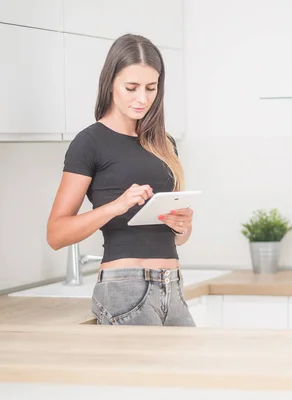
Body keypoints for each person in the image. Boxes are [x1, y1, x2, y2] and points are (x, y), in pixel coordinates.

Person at [47, 34, 195, 327]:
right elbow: (56, 234)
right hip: (124, 289)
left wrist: (183, 225)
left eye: (151, 88)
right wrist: (116, 206)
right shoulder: (89, 143)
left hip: (173, 288)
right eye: (132, 88)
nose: (143, 98)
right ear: (111, 83)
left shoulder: (165, 143)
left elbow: (177, 238)